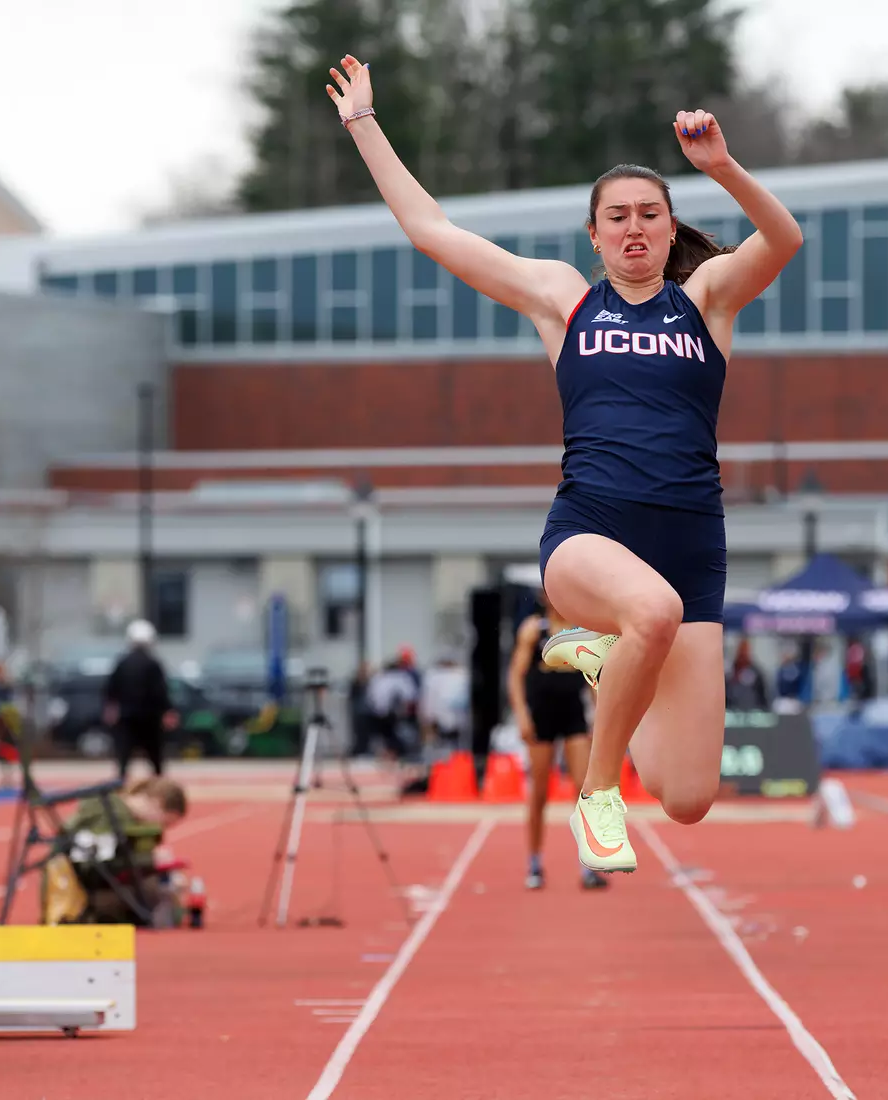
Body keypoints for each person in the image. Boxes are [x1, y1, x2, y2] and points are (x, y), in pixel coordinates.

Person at [326, 55, 802, 875]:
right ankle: (597, 794)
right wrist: (363, 124)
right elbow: (433, 231)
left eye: (649, 214)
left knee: (687, 794)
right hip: (590, 532)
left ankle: (607, 661)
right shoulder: (564, 299)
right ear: (594, 235)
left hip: (692, 545)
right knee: (649, 610)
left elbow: (785, 238)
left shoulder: (707, 300)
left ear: (670, 227)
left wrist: (722, 167)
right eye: (617, 217)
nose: (633, 228)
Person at [507, 594, 608, 891]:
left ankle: (588, 866)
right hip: (542, 715)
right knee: (540, 791)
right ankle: (534, 862)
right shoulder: (534, 629)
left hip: (573, 714)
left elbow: (592, 675)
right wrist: (522, 715)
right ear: (545, 597)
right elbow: (515, 676)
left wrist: (600, 715)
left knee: (584, 788)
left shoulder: (582, 630)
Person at [55, 776, 191, 927]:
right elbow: (96, 868)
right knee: (157, 895)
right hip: (83, 893)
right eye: (164, 823)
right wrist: (151, 861)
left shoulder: (120, 811)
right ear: (157, 803)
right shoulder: (109, 812)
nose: (160, 828)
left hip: (91, 886)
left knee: (159, 892)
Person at [102, 620, 178, 780]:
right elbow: (161, 691)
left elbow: (110, 690)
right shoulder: (153, 664)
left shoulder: (122, 663)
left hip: (126, 717)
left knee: (123, 757)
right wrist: (168, 710)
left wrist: (110, 709)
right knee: (155, 758)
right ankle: (158, 785)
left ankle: (120, 783)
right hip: (150, 718)